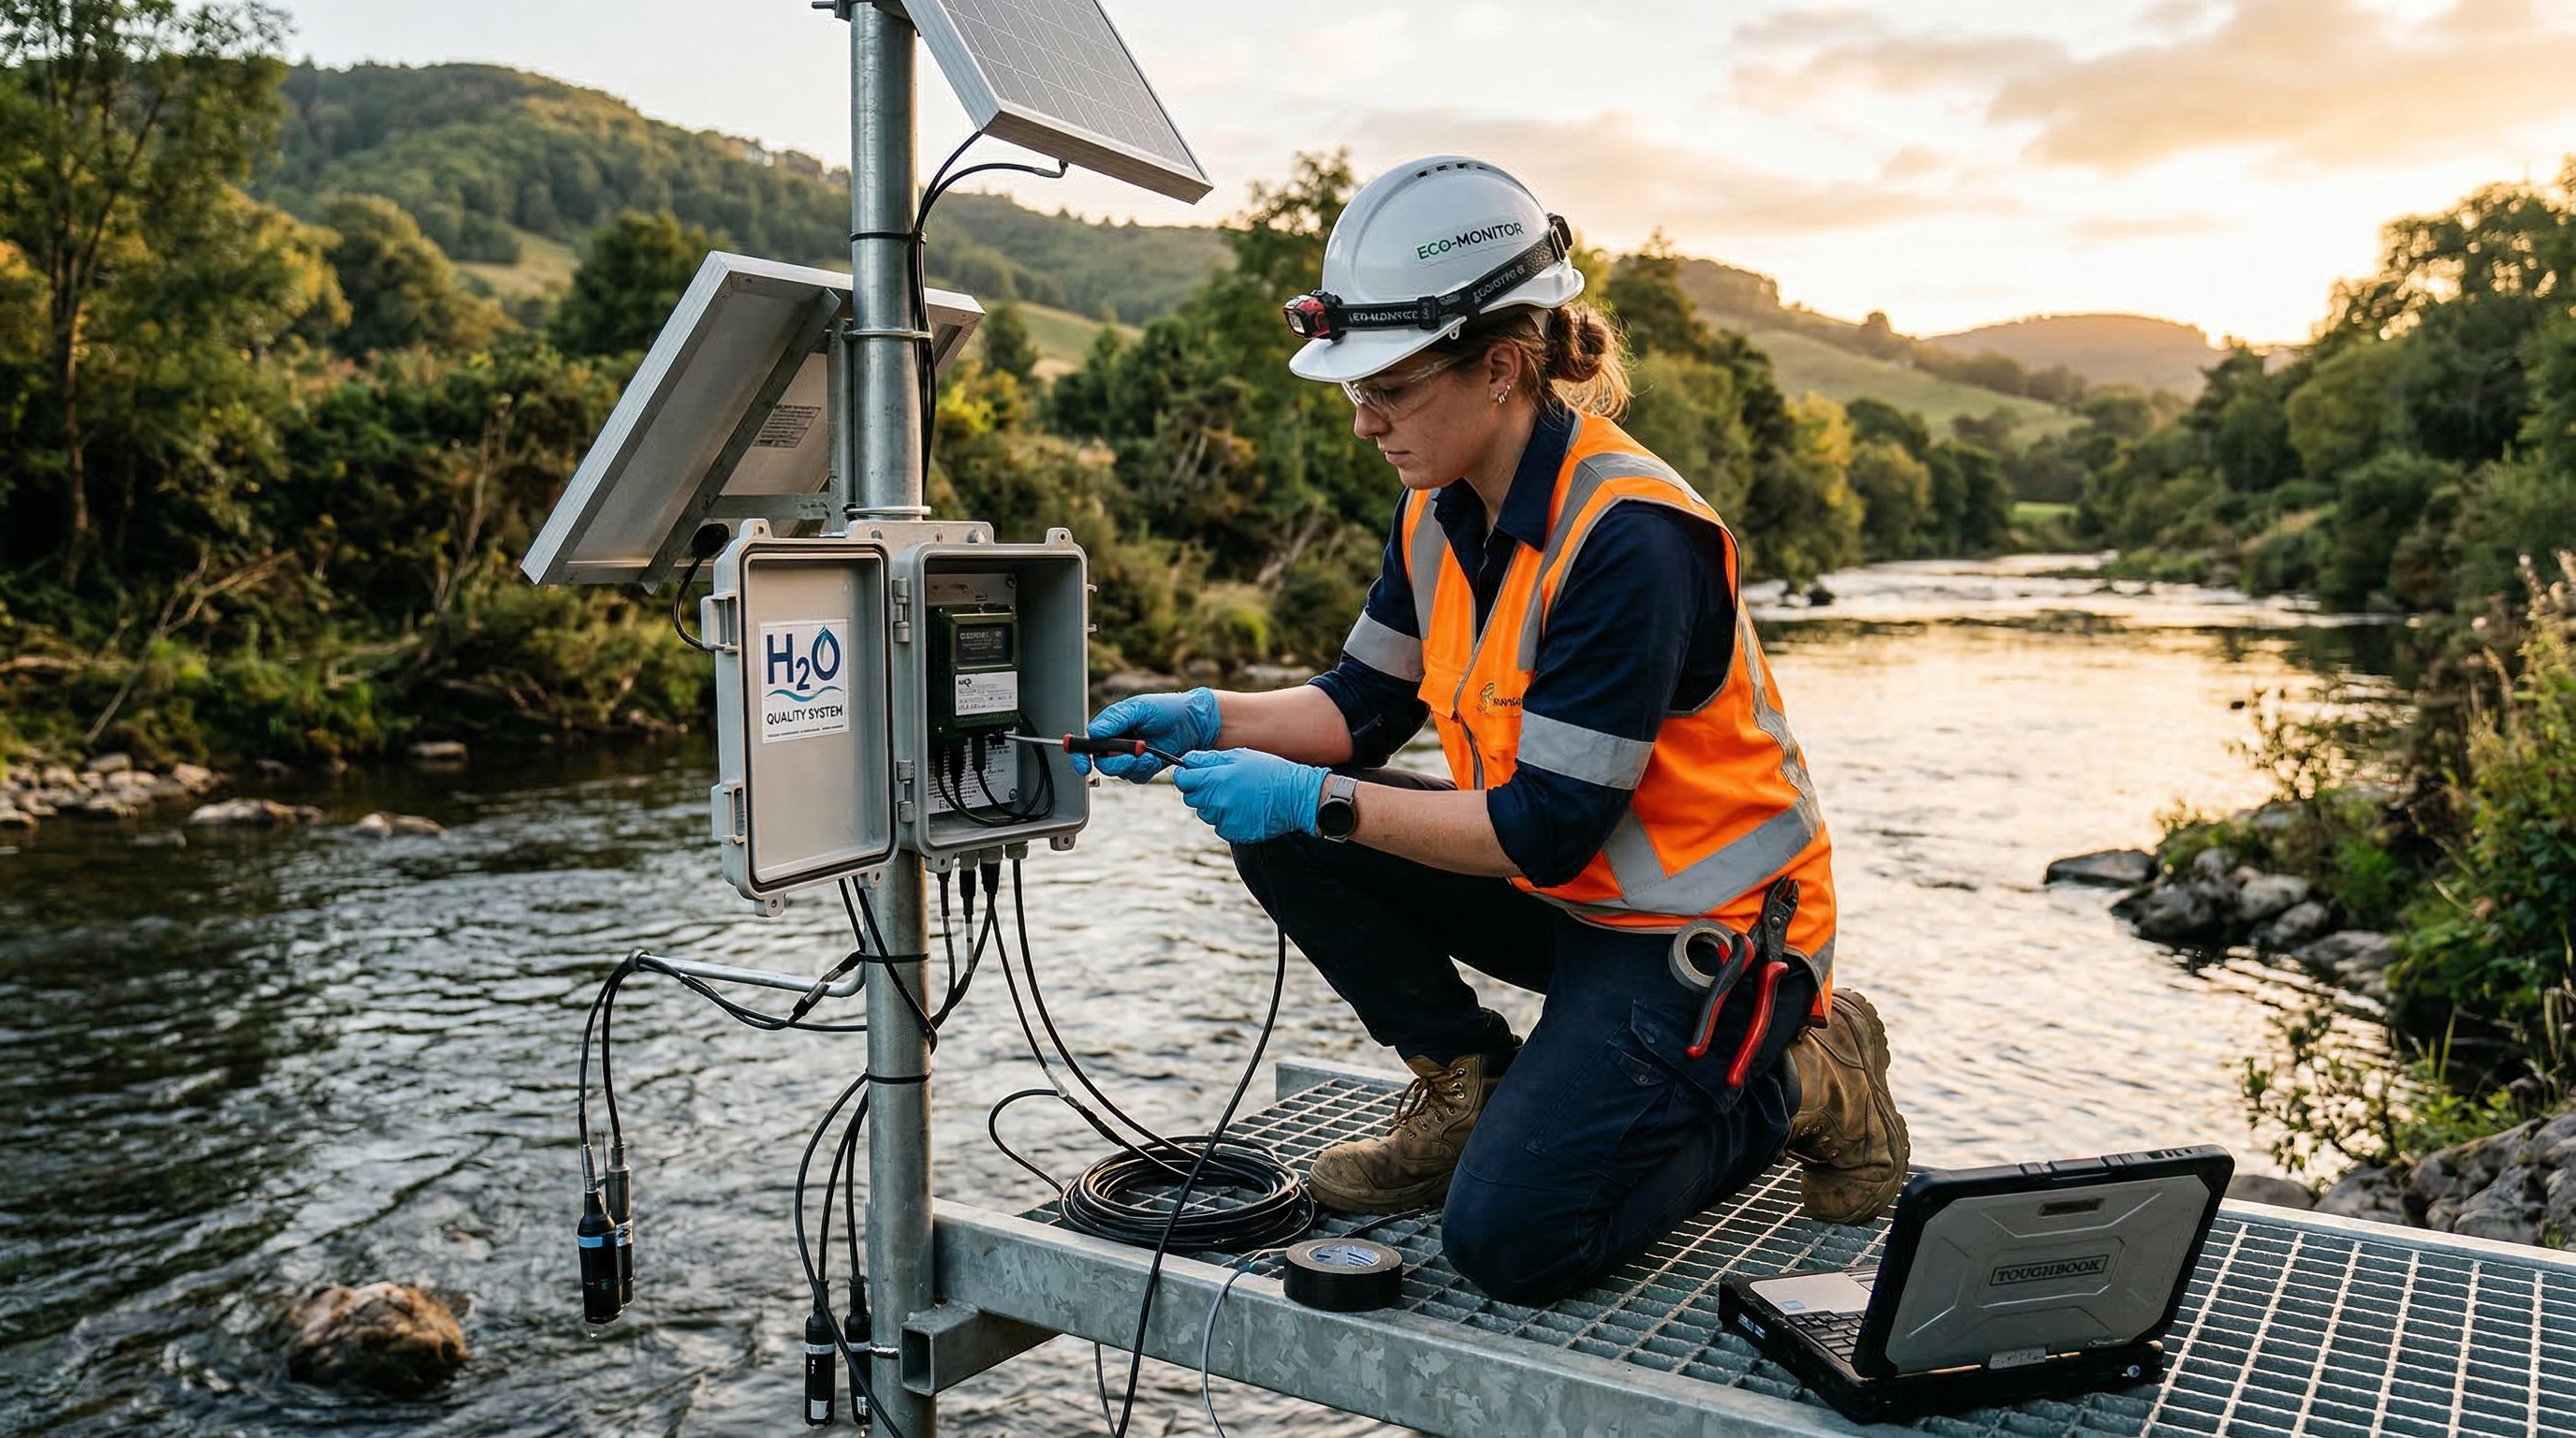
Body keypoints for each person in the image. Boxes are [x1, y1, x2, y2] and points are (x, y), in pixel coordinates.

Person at [1080, 155, 1907, 1305]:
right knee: (1283, 823)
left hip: (1706, 938)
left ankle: (1807, 1078)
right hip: (1564, 899)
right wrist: (1211, 716)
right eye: (1354, 391)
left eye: (1389, 389)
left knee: (1514, 1245)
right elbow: (1359, 708)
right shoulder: (1436, 506)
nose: (1363, 422)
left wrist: (1317, 796)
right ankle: (1466, 1085)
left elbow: (1549, 825)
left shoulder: (1632, 538)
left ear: (1503, 368)